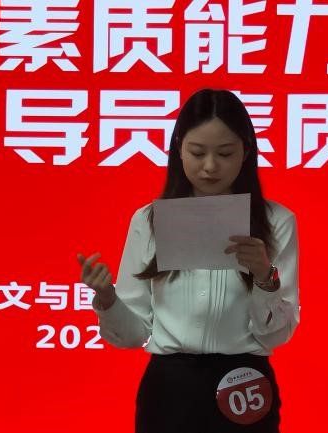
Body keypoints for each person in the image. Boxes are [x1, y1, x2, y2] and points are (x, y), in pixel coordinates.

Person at [77, 88, 300, 433]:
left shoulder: (276, 222)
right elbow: (134, 334)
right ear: (179, 149)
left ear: (246, 152)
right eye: (197, 152)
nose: (210, 166)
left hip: (245, 382)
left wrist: (263, 276)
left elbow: (275, 335)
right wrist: (107, 298)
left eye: (225, 153)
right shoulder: (149, 220)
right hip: (171, 385)